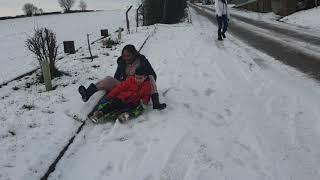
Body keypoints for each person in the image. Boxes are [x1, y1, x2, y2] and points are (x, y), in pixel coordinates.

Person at [78, 44, 166, 110]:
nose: (126, 58)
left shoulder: (142, 61)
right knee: (108, 79)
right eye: (124, 56)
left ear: (134, 54)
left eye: (128, 56)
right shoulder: (122, 62)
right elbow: (116, 77)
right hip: (126, 84)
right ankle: (87, 94)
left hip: (139, 86)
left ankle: (156, 103)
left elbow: (153, 75)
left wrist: (144, 82)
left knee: (150, 77)